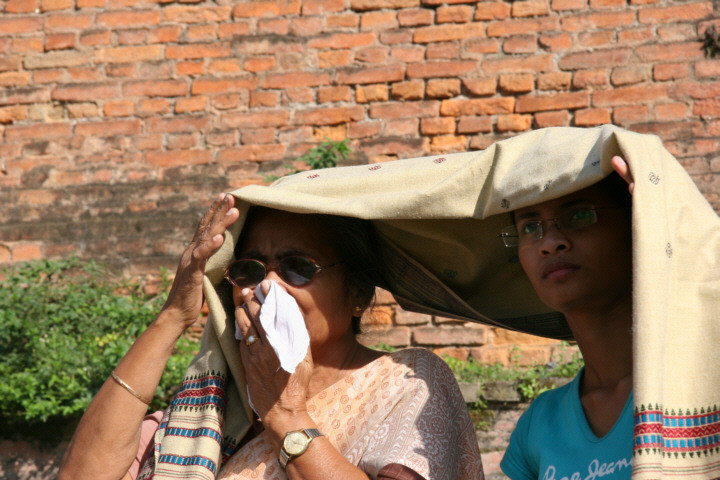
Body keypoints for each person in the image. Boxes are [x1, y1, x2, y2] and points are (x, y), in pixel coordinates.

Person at [58, 195, 484, 480]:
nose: (268, 289)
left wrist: (286, 416)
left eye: (297, 267)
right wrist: (173, 316)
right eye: (251, 270)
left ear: (358, 294)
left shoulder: (405, 381)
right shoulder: (216, 411)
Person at [499, 158, 635, 480]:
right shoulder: (539, 425)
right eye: (530, 227)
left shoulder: (697, 387)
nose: (549, 242)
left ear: (635, 226)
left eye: (580, 215)